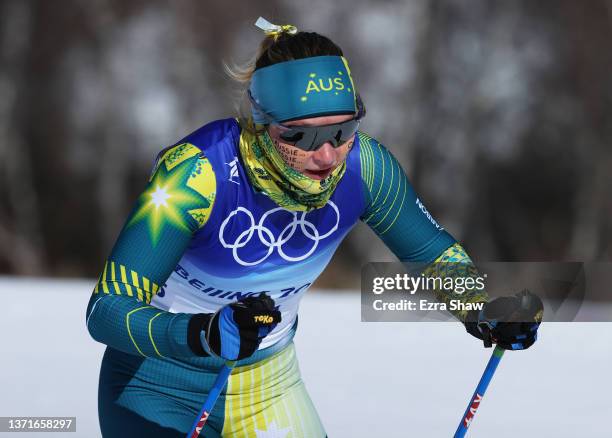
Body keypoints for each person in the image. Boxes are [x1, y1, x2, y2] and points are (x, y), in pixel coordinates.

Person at [85, 17, 542, 437]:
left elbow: (432, 256)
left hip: (266, 387)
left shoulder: (366, 169)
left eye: (342, 131)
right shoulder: (195, 175)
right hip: (155, 385)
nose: (326, 156)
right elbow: (105, 310)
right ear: (262, 124)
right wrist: (202, 333)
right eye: (301, 137)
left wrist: (481, 310)